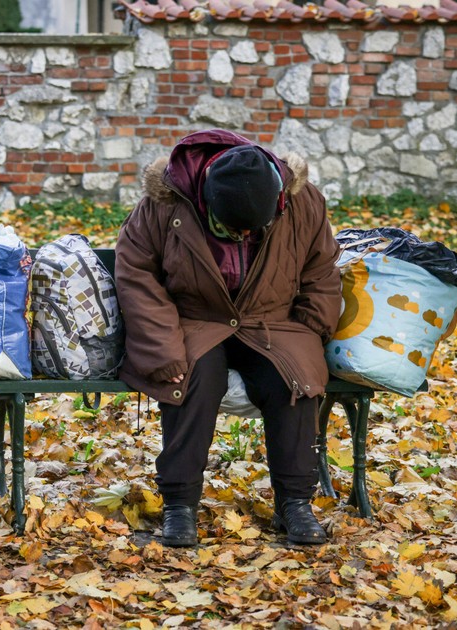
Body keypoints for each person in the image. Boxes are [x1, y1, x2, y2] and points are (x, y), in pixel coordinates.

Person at [114, 129, 342, 547]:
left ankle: (295, 503)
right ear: (205, 202)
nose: (240, 239)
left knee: (293, 381)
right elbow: (137, 278)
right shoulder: (164, 205)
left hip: (270, 322)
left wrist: (309, 331)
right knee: (189, 376)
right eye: (228, 229)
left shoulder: (303, 202)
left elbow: (321, 270)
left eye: (250, 231)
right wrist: (164, 348)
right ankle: (179, 505)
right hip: (194, 320)